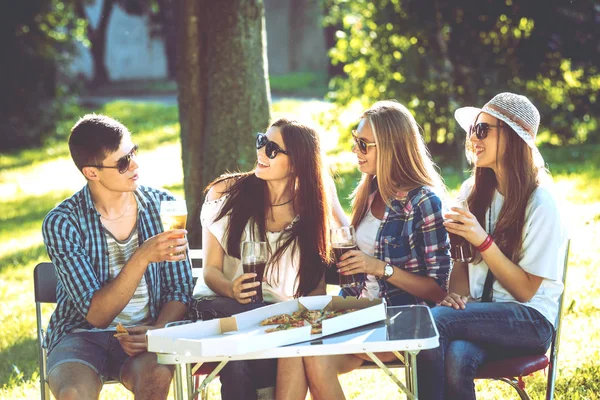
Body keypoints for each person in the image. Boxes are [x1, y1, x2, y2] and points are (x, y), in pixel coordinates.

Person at [276, 100, 451, 400]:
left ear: (390, 147)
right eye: (354, 140)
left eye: (363, 144)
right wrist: (330, 210)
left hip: (399, 321)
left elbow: (437, 291)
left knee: (310, 354)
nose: (355, 150)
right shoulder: (369, 192)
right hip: (355, 312)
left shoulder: (424, 203)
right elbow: (355, 252)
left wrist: (379, 268)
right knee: (296, 348)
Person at [416, 92, 568, 400]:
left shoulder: (541, 202)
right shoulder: (473, 191)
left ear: (513, 139)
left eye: (483, 129)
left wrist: (481, 240)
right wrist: (457, 297)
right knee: (457, 356)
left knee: (433, 322)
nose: (473, 138)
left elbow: (525, 291)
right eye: (472, 129)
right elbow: (462, 274)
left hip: (530, 320)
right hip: (484, 315)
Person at [192, 118, 347, 400]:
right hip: (220, 307)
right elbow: (210, 271)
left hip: (274, 320)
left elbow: (316, 289)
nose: (261, 152)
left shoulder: (311, 212)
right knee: (248, 330)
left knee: (242, 355)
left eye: (272, 149)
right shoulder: (226, 194)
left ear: (298, 163)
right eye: (261, 141)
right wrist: (231, 288)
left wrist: (329, 194)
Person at [41, 114, 194, 400]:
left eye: (133, 152)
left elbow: (180, 290)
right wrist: (142, 256)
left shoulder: (164, 207)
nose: (134, 165)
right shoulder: (63, 222)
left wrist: (157, 332)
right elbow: (97, 316)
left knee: (156, 377)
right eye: (123, 162)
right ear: (92, 172)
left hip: (146, 331)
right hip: (80, 334)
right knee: (73, 393)